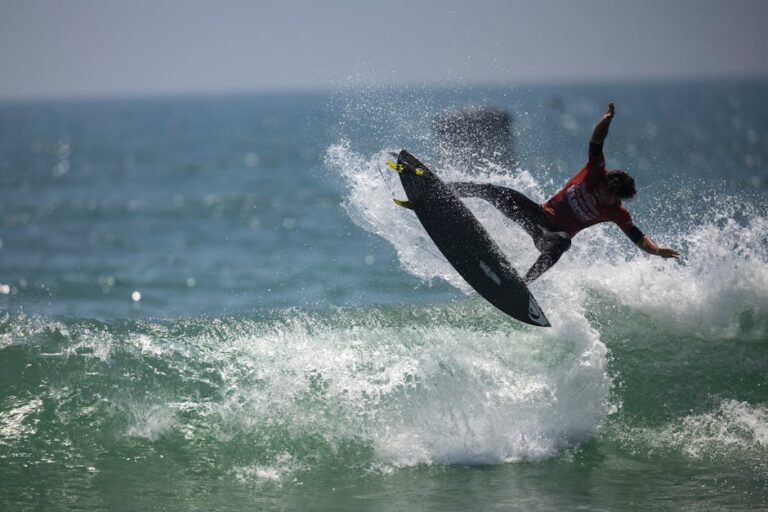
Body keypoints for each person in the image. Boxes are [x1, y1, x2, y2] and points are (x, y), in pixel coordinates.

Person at [449, 102, 679, 283]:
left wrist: (657, 250)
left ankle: (523, 284)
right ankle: (443, 189)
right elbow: (597, 140)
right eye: (606, 189)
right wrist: (607, 120)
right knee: (491, 190)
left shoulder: (617, 213)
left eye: (612, 196)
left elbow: (639, 238)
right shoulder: (595, 171)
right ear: (605, 180)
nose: (605, 196)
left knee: (563, 241)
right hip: (537, 214)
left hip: (549, 236)